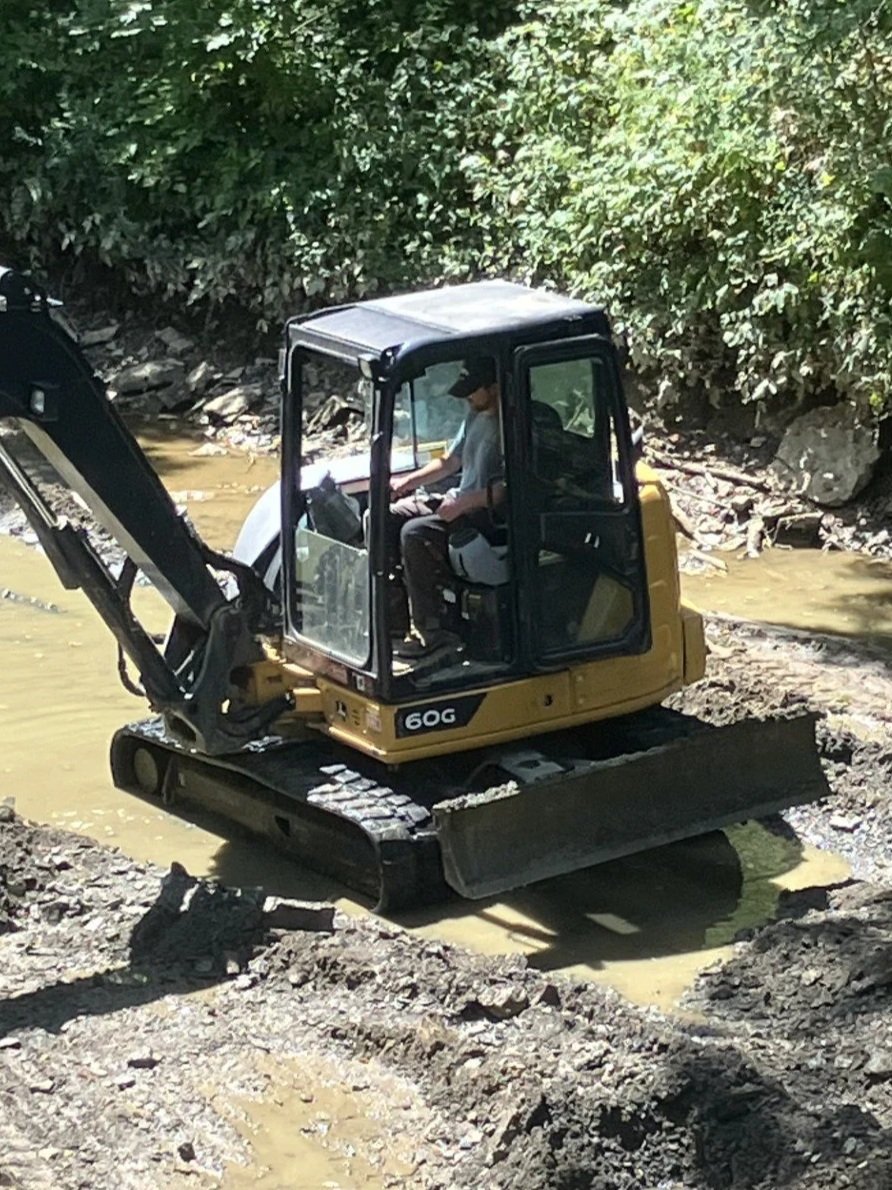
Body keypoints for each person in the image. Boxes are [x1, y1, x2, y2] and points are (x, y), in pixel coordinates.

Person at [388, 356, 503, 658]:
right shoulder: (475, 416)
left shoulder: (514, 425)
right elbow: (450, 462)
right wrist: (406, 482)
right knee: (384, 518)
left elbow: (507, 491)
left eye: (472, 389)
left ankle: (432, 632)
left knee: (415, 534)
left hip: (482, 515)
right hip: (456, 501)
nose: (467, 397)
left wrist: (464, 503)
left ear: (494, 386)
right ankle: (394, 624)